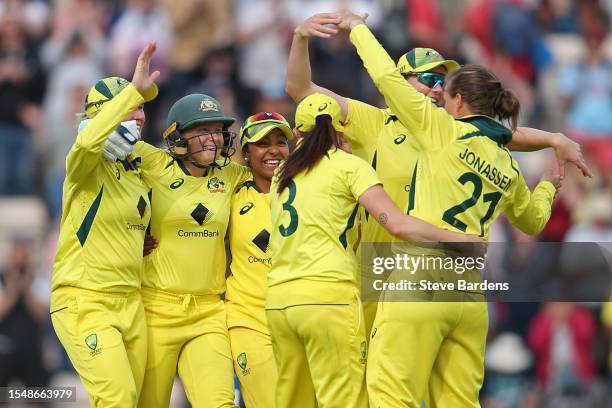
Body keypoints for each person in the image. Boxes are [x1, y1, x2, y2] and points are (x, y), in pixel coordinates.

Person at [286, 12, 590, 334]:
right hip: (374, 269)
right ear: (400, 81)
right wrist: (301, 37)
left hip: (433, 273)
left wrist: (554, 138)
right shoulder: (374, 121)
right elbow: (300, 88)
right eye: (428, 79)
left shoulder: (450, 129)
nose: (437, 89)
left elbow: (505, 136)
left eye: (443, 84)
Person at [337, 13, 561, 407]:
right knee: (460, 402)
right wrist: (548, 185)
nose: (439, 95)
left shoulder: (442, 129)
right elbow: (533, 220)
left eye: (446, 90)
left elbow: (387, 79)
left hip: (418, 276)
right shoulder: (508, 167)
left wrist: (357, 28)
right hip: (469, 293)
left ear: (457, 101)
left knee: (391, 395)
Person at [265, 92, 483, 408]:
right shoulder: (349, 166)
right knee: (345, 401)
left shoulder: (280, 175)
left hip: (279, 302)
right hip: (328, 297)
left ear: (297, 133)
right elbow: (397, 224)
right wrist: (458, 240)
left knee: (293, 401)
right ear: (340, 130)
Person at [49, 42, 159, 407]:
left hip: (131, 301)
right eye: (132, 108)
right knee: (117, 398)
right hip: (86, 299)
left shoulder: (135, 170)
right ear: (103, 115)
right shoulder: (85, 166)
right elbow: (87, 143)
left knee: (140, 400)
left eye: (142, 107)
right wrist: (129, 93)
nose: (141, 115)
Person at [128, 93, 249, 407]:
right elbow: (97, 137)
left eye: (217, 130)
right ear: (177, 136)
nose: (213, 139)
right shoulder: (154, 163)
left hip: (209, 312)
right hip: (156, 309)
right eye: (201, 130)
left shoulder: (233, 176)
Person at [225, 111, 293, 408]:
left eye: (280, 142)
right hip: (249, 319)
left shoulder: (308, 189)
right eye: (262, 143)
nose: (273, 150)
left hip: (299, 319)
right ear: (246, 153)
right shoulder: (230, 192)